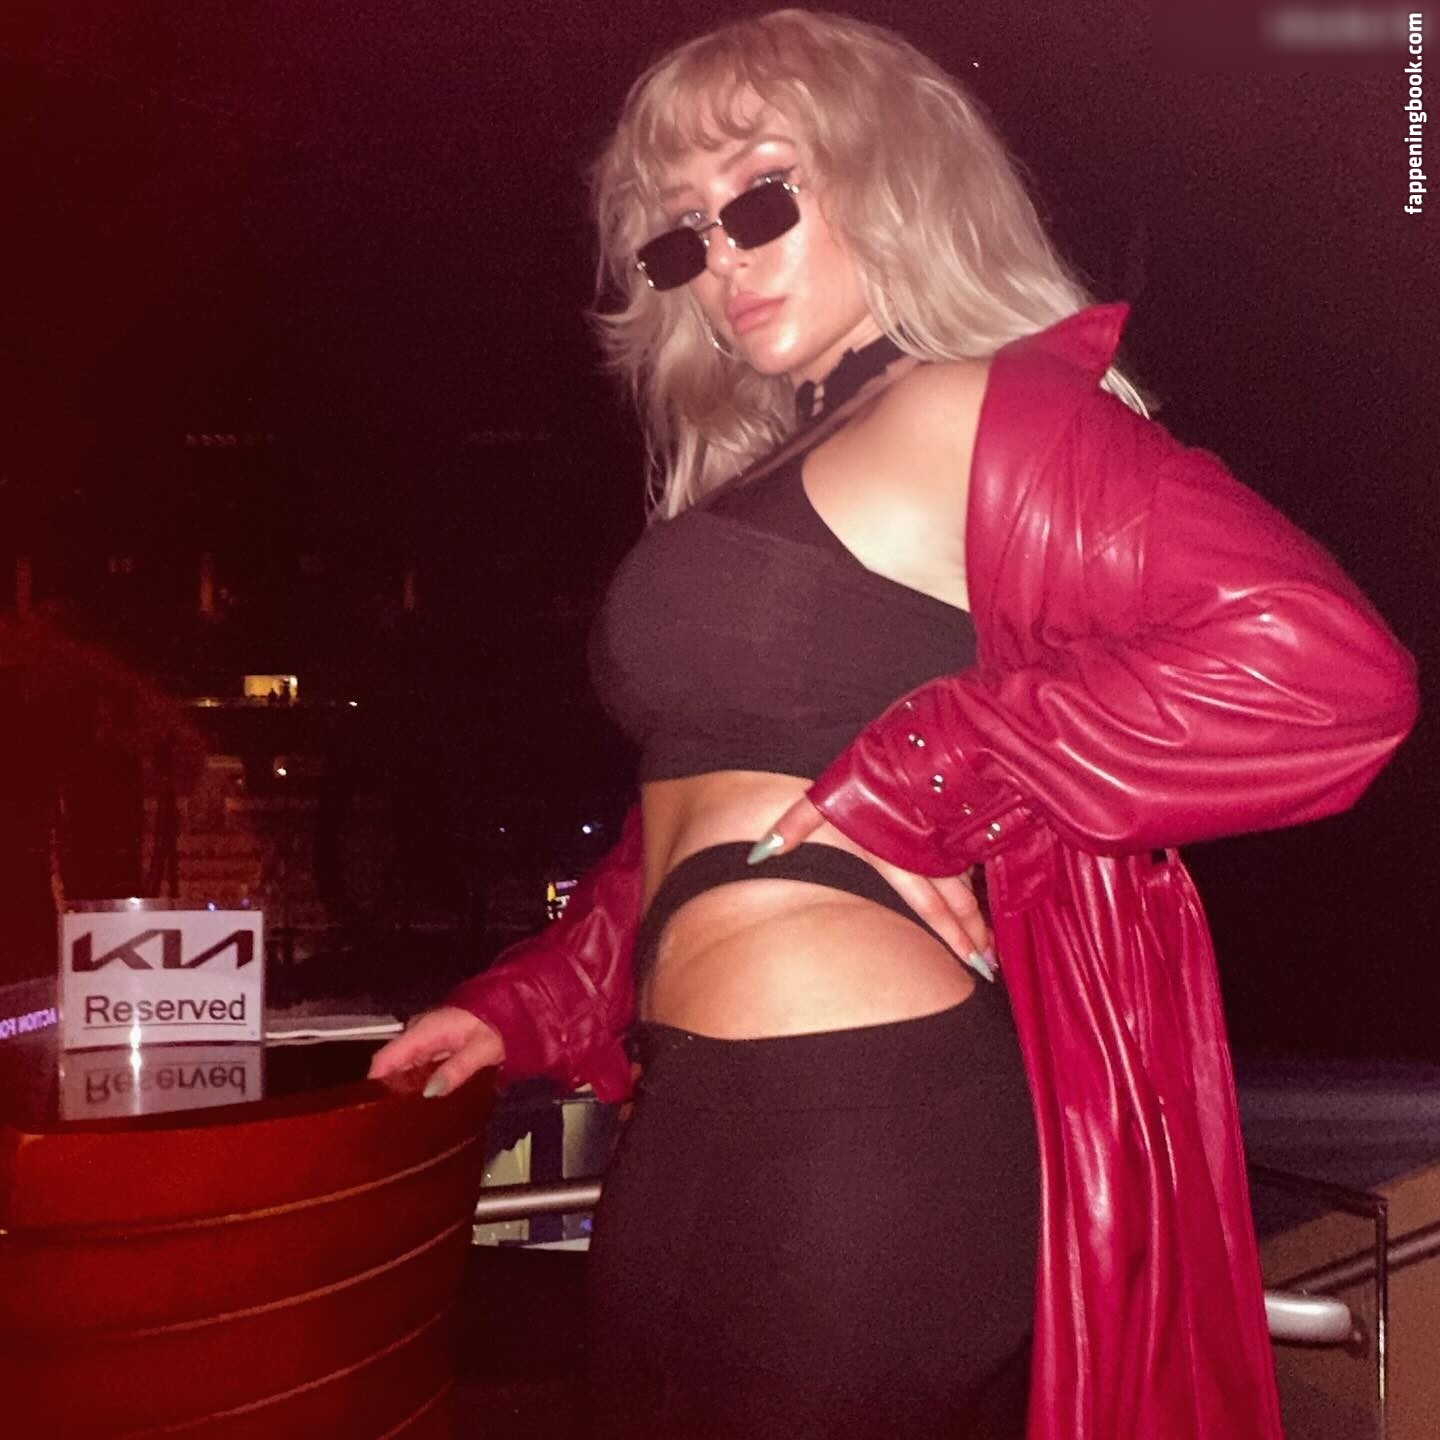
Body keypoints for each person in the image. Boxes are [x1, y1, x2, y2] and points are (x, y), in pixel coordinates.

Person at [370, 11, 1417, 1438]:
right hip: (707, 1111)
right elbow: (710, 806)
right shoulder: (773, 463)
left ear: (892, 176)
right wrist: (533, 1002)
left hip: (866, 1119)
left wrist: (940, 763)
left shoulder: (976, 413)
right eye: (681, 234)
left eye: (759, 197)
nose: (720, 256)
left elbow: (1333, 672)